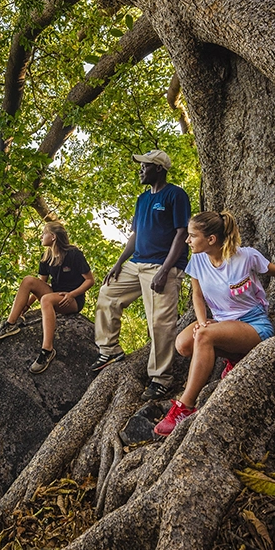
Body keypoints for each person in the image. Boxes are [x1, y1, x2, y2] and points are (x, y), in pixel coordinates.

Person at [153, 210, 275, 436]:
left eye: (192, 236)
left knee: (204, 337)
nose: (187, 240)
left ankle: (185, 407)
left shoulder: (246, 256)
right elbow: (197, 296)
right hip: (221, 324)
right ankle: (234, 357)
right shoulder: (198, 260)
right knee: (183, 343)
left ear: (211, 239)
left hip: (253, 325)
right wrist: (202, 322)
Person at [93, 149, 192, 402]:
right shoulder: (142, 199)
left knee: (159, 322)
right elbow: (135, 235)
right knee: (107, 293)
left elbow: (182, 234)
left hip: (162, 268)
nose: (140, 170)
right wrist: (118, 263)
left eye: (144, 166)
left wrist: (165, 270)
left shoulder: (175, 195)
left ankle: (161, 379)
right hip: (136, 264)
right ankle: (110, 349)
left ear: (158, 168)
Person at [0, 221, 95, 374]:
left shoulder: (74, 254)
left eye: (44, 233)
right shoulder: (46, 257)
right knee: (28, 280)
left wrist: (72, 294)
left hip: (72, 300)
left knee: (46, 300)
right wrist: (26, 305)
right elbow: (40, 285)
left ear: (53, 237)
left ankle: (47, 350)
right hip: (54, 294)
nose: (41, 236)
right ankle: (10, 324)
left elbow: (90, 280)